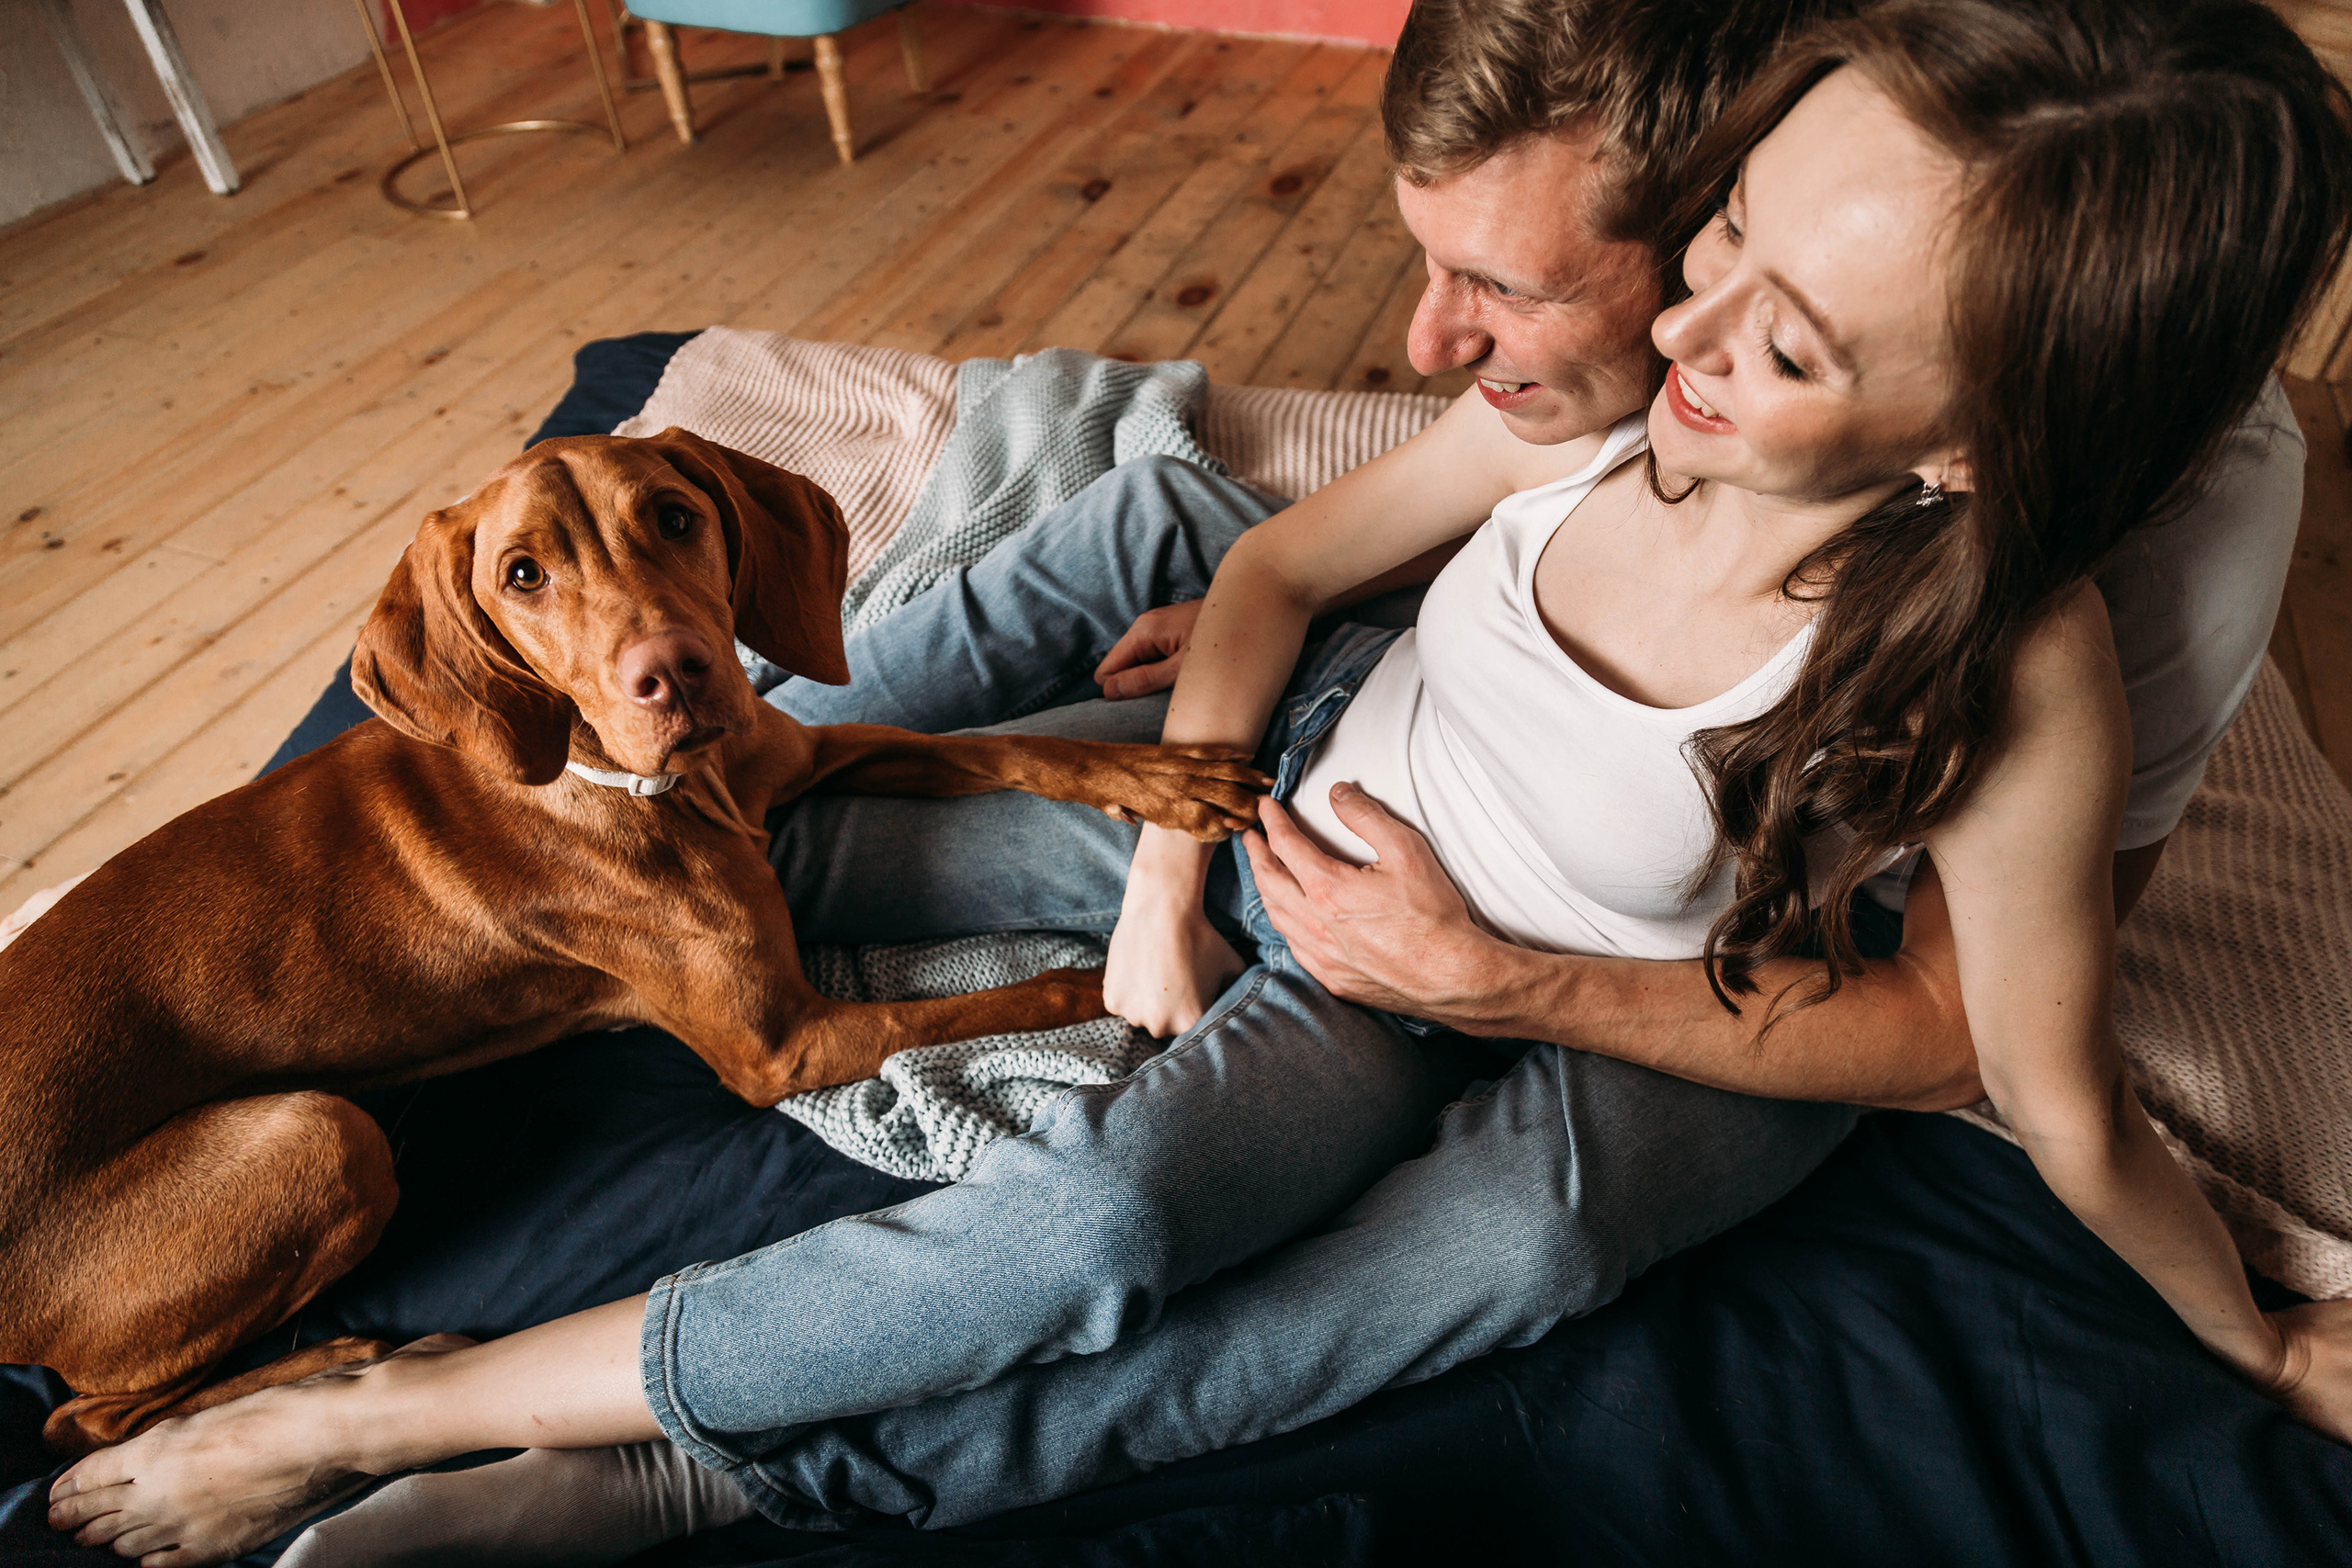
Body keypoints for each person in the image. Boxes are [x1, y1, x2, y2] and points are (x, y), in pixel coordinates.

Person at [46, 0, 2352, 1562]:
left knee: (1360, 1244)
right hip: (1329, 855)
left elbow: (2024, 1072)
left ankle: (527, 1435)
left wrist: (2249, 1335)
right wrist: (1175, 859)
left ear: (1961, 438)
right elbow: (1282, 557)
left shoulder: (2035, 646)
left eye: (1773, 331)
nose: (1666, 331)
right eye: (1719, 236)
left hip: (1580, 991)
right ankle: (483, 1338)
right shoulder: (1612, 402)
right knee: (1053, 1072)